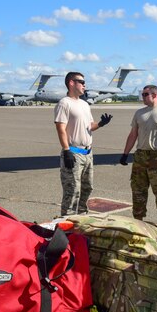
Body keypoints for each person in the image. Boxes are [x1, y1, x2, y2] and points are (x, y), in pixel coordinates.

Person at [54, 72, 112, 216]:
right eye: (81, 82)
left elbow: (89, 126)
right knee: (72, 190)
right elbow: (60, 128)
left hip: (88, 154)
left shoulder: (85, 104)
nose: (84, 85)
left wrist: (101, 124)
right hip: (73, 152)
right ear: (71, 83)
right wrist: (66, 150)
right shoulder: (64, 103)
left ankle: (81, 217)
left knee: (87, 188)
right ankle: (67, 221)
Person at [119, 85, 157, 225]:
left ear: (155, 95)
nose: (142, 97)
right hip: (140, 156)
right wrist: (125, 153)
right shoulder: (139, 113)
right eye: (142, 94)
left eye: (145, 94)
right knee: (138, 191)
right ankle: (138, 223)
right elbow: (133, 135)